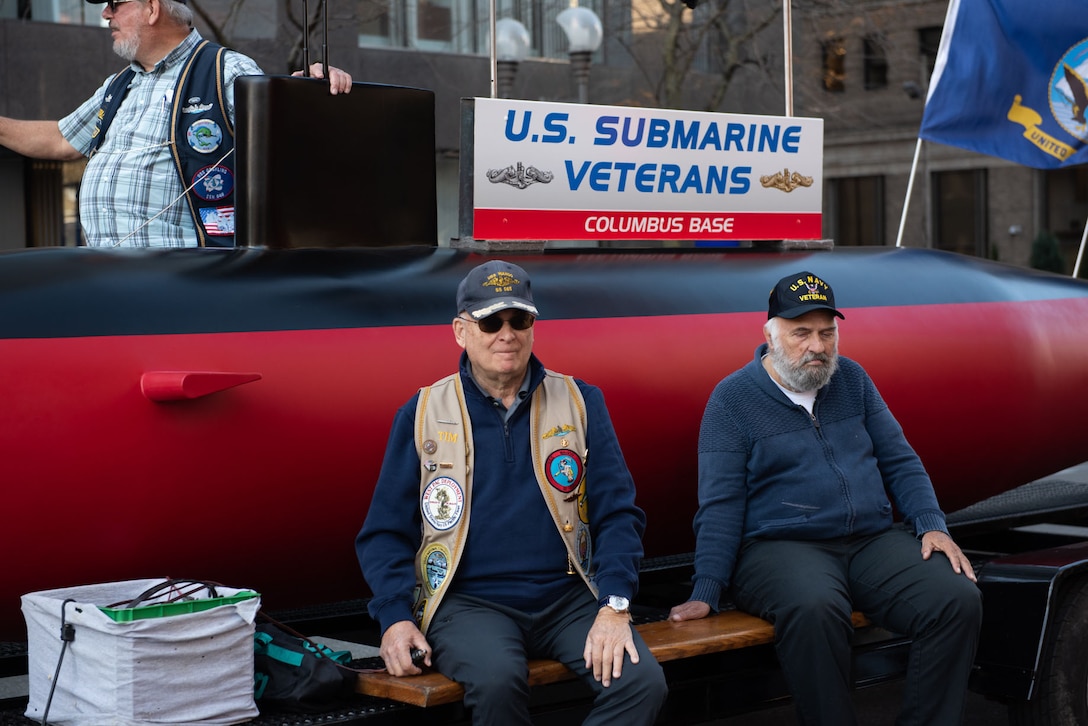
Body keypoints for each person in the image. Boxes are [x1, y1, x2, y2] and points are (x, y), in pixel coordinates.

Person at [356, 260, 667, 725]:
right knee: (498, 683)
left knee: (641, 685)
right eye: (490, 321)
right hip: (467, 603)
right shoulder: (421, 412)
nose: (507, 333)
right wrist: (395, 618)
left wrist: (615, 603)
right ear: (461, 331)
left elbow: (618, 514)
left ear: (533, 327)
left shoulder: (581, 400)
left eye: (519, 320)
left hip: (568, 596)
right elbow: (383, 533)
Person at [669, 271, 982, 726]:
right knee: (816, 608)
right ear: (771, 333)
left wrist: (931, 524)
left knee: (957, 599)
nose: (817, 345)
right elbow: (720, 503)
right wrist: (707, 589)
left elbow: (900, 459)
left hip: (870, 541)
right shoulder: (732, 399)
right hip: (779, 547)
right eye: (801, 332)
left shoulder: (851, 379)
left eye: (827, 332)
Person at [0, 0, 352, 248]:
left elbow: (290, 153)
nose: (106, 14)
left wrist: (309, 95)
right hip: (108, 283)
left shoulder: (225, 70)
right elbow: (62, 140)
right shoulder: (120, 84)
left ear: (152, 8)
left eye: (115, 3)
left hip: (186, 285)